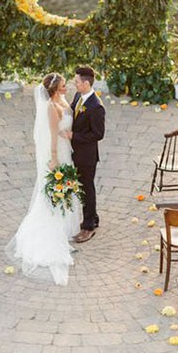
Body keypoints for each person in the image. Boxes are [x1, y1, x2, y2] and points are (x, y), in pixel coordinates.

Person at [5, 72, 80, 285]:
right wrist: (54, 158)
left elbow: (67, 125)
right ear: (56, 89)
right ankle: (50, 229)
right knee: (56, 188)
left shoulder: (63, 100)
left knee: (66, 189)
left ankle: (64, 226)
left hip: (67, 149)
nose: (67, 88)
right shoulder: (50, 107)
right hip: (58, 153)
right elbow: (53, 134)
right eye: (64, 85)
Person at [68, 65, 105, 243]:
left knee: (86, 189)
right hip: (76, 152)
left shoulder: (96, 106)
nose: (74, 84)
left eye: (76, 81)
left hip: (87, 156)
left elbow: (98, 134)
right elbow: (71, 111)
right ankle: (94, 217)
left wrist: (75, 135)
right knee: (84, 187)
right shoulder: (78, 96)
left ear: (85, 83)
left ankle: (88, 226)